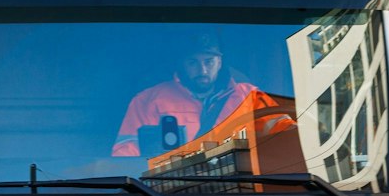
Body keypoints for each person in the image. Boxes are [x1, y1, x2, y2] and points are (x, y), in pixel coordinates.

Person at [114, 33, 274, 156]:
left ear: (220, 62)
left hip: (239, 188)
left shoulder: (249, 97)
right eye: (193, 62)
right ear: (181, 64)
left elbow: (285, 137)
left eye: (209, 62)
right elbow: (126, 153)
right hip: (171, 189)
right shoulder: (148, 100)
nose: (202, 70)